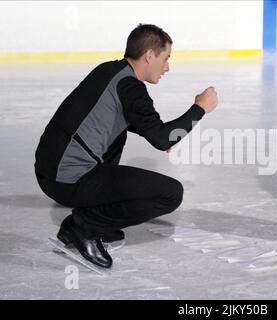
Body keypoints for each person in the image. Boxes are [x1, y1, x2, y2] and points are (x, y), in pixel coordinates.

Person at [34, 24, 218, 268]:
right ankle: (84, 227)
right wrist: (200, 108)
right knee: (170, 194)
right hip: (68, 178)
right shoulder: (131, 87)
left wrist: (159, 134)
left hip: (50, 171)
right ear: (149, 55)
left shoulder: (110, 71)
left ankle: (89, 223)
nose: (167, 67)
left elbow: (114, 118)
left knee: (120, 134)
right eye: (166, 58)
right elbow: (162, 138)